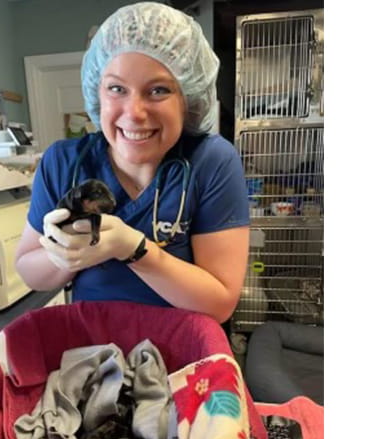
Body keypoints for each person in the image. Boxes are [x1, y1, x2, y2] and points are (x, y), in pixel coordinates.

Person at [14, 1, 249, 324]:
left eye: (158, 90)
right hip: (95, 352)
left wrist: (134, 249)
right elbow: (29, 271)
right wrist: (65, 252)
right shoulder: (63, 162)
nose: (134, 112)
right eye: (116, 88)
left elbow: (220, 303)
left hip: (185, 353)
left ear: (189, 98)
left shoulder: (211, 162)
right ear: (97, 92)